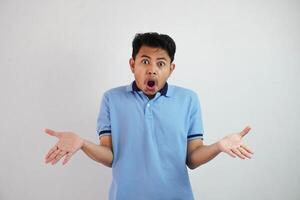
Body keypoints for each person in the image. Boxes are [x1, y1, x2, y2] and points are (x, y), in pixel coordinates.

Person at [44, 32, 253, 200]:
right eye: (145, 61)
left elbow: (192, 158)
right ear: (132, 64)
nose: (152, 70)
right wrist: (82, 143)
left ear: (171, 69)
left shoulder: (188, 100)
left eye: (161, 63)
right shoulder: (112, 99)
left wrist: (218, 146)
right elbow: (110, 157)